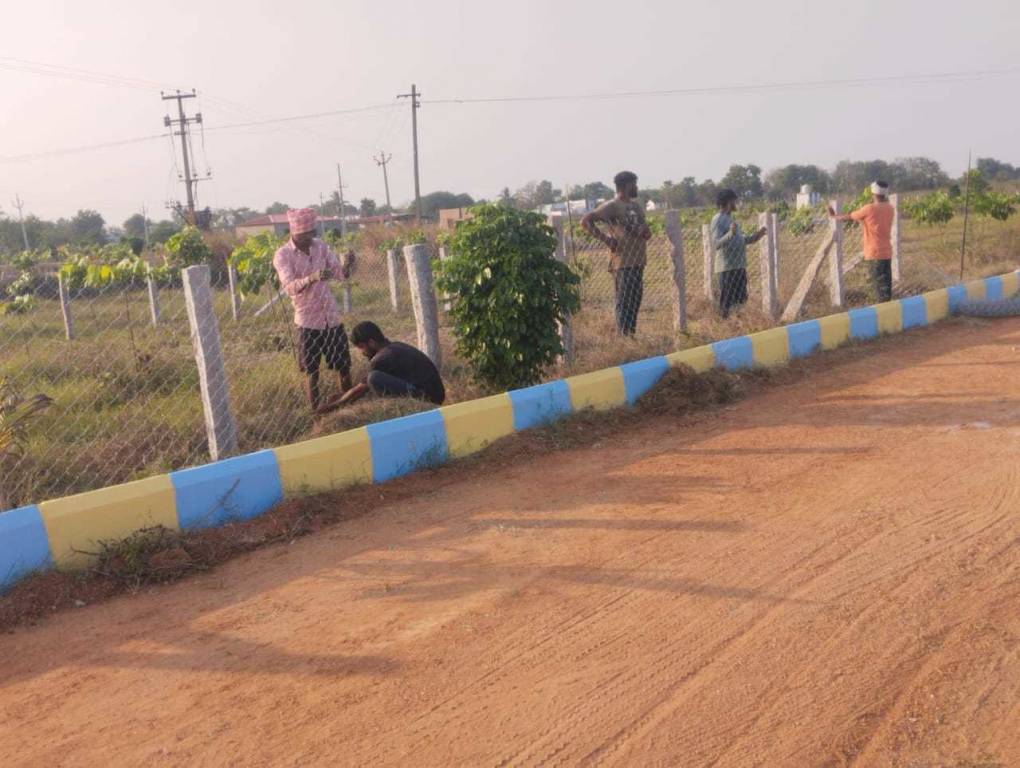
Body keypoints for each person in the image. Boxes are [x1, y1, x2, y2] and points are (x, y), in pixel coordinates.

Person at [272, 208, 355, 413]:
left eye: (311, 232)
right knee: (312, 372)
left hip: (331, 317)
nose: (309, 238)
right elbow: (289, 287)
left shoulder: (320, 247)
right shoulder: (283, 255)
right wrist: (312, 277)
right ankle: (316, 414)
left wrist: (348, 265)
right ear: (293, 232)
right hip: (307, 321)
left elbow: (339, 274)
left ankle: (349, 408)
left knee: (343, 366)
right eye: (304, 234)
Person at [580, 171, 652, 336]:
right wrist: (606, 239)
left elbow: (646, 231)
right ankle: (623, 337)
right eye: (634, 183)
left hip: (638, 260)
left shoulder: (635, 206)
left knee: (635, 300)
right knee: (624, 301)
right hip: (622, 262)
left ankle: (631, 335)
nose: (636, 187)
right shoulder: (612, 206)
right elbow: (585, 221)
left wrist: (645, 232)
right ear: (626, 185)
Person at [337, 321, 446, 407]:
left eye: (361, 347)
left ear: (371, 343)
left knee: (374, 378)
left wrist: (334, 405)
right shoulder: (395, 347)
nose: (362, 352)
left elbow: (360, 390)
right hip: (434, 396)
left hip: (427, 400)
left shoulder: (382, 357)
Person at [829, 181, 895, 302]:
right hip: (887, 252)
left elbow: (849, 216)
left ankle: (880, 313)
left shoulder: (869, 209)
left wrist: (834, 216)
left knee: (877, 287)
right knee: (886, 286)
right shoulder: (890, 208)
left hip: (874, 253)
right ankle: (888, 309)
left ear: (873, 193)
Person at [711, 189, 768, 318]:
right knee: (727, 303)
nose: (736, 203)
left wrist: (755, 237)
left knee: (741, 301)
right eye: (734, 200)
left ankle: (737, 324)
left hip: (738, 266)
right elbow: (716, 244)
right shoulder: (718, 219)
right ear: (727, 201)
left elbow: (739, 240)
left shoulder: (729, 218)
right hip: (727, 268)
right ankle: (725, 327)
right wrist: (730, 233)